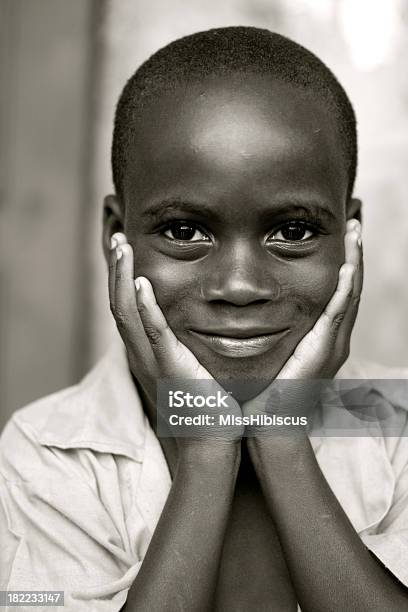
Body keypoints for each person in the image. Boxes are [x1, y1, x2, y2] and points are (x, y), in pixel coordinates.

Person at [1, 26, 407, 611]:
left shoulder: (398, 431)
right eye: (184, 231)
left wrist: (281, 438)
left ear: (350, 237)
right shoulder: (49, 455)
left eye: (292, 232)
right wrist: (207, 446)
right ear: (118, 237)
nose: (239, 286)